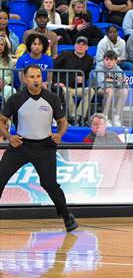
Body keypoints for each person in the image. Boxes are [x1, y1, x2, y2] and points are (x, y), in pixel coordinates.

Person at [0, 64, 78, 232]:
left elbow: (63, 122)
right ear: (24, 79)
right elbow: (1, 120)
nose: (36, 80)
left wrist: (59, 135)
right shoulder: (16, 99)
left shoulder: (52, 98)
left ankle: (67, 217)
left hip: (45, 147)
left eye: (38, 76)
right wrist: (9, 137)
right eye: (32, 77)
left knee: (50, 185)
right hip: (20, 145)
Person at [95, 50, 128, 127]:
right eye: (106, 60)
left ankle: (116, 118)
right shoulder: (99, 66)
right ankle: (104, 118)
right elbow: (102, 81)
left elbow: (124, 81)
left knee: (125, 91)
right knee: (110, 90)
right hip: (98, 88)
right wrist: (116, 79)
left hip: (113, 88)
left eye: (111, 60)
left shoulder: (117, 68)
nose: (108, 62)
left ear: (116, 61)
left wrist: (110, 79)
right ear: (104, 60)